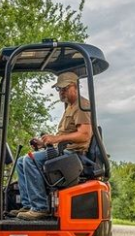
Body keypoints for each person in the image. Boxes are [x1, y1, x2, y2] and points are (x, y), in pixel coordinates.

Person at [12, 71, 92, 221]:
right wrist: (44, 143)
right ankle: (28, 204)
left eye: (64, 88)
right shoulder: (69, 107)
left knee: (30, 160)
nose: (61, 92)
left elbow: (84, 134)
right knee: (22, 161)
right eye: (59, 89)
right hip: (64, 151)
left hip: (74, 155)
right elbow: (64, 136)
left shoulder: (81, 106)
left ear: (74, 87)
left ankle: (40, 208)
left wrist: (56, 138)